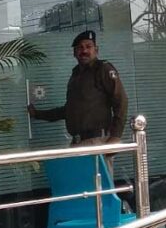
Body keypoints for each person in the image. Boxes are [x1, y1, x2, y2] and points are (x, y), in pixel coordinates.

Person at [28, 30, 128, 169]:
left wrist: (116, 136)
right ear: (74, 53)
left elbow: (121, 101)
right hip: (77, 143)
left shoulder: (103, 69)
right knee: (80, 183)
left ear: (96, 50)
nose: (84, 51)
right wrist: (37, 114)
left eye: (88, 46)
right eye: (80, 48)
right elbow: (69, 110)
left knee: (97, 182)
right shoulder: (76, 74)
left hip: (97, 142)